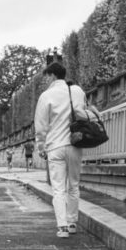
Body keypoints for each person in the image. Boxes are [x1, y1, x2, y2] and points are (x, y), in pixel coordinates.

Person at [34, 61, 86, 238]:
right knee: (74, 185)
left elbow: (41, 125)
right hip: (75, 144)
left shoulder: (46, 96)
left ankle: (62, 227)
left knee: (58, 189)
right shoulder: (77, 91)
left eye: (47, 76)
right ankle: (72, 223)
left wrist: (41, 146)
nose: (46, 80)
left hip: (55, 146)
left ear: (52, 75)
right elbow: (83, 112)